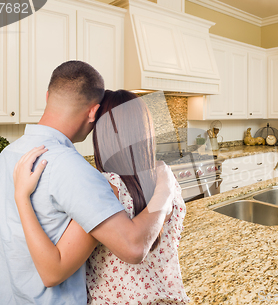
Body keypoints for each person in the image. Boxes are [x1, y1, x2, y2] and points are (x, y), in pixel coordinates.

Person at [0, 61, 175, 304]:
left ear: (48, 95)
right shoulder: (73, 169)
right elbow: (133, 248)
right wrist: (165, 190)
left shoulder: (3, 158)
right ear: (93, 112)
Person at [12, 90, 190, 304]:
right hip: (170, 298)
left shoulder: (107, 188)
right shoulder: (166, 179)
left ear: (102, 134)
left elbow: (53, 271)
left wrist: (21, 196)